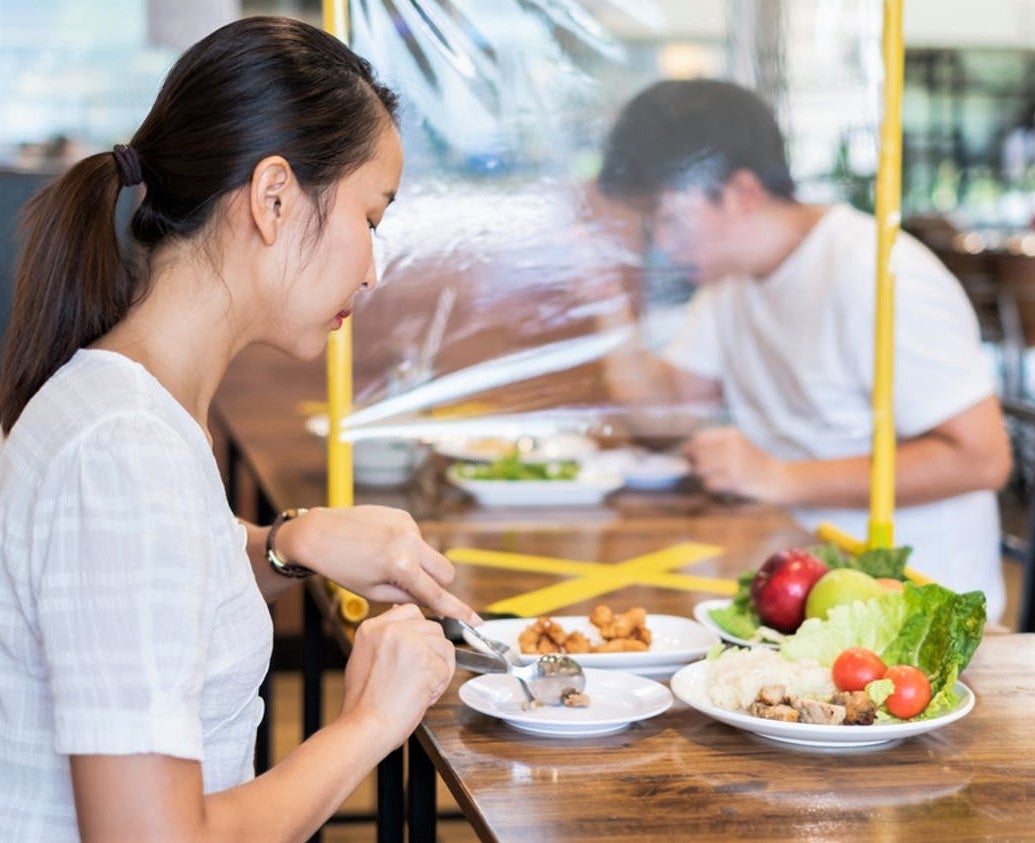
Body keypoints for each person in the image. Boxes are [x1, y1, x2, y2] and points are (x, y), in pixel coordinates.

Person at [0, 16, 479, 842]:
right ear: (273, 197)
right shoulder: (122, 450)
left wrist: (287, 546)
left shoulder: (134, 406)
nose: (372, 267)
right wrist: (367, 720)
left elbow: (153, 594)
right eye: (370, 218)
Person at [595, 78, 1012, 622]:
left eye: (668, 218)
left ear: (741, 191)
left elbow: (982, 458)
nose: (662, 245)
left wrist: (776, 476)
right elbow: (665, 413)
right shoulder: (731, 281)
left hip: (912, 612)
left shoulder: (877, 273)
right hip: (794, 585)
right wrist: (598, 295)